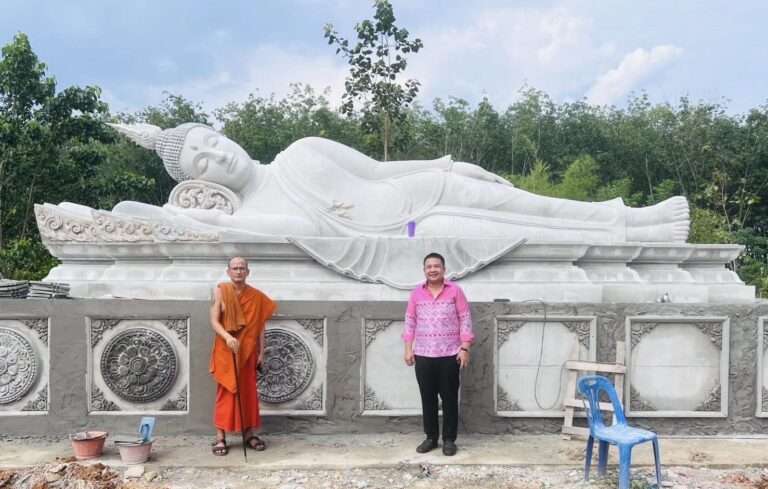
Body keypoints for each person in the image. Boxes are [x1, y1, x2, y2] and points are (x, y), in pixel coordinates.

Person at [108, 122, 690, 244]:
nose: (217, 156)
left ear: (225, 134)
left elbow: (377, 170)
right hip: (406, 235)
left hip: (418, 191)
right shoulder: (251, 214)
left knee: (527, 203)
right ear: (198, 181)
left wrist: (446, 166)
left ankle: (632, 218)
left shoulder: (302, 149)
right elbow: (306, 228)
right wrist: (202, 217)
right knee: (517, 233)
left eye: (211, 141)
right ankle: (635, 234)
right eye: (202, 162)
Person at [403, 253, 473, 456]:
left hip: (450, 353)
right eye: (429, 267)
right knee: (428, 397)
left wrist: (465, 349)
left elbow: (465, 320)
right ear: (424, 270)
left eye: (436, 266)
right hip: (424, 354)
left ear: (443, 269)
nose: (432, 270)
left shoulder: (455, 291)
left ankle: (449, 440)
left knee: (449, 397)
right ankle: (431, 437)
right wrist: (408, 349)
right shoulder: (417, 293)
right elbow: (410, 321)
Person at [209, 256, 277, 456]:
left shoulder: (256, 296)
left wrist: (261, 351)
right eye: (235, 268)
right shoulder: (221, 291)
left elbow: (260, 325)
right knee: (226, 392)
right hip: (226, 349)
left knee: (248, 392)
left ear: (248, 272)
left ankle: (248, 435)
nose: (238, 271)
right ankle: (220, 437)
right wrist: (228, 337)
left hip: (247, 350)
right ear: (228, 272)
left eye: (242, 268)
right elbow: (214, 321)